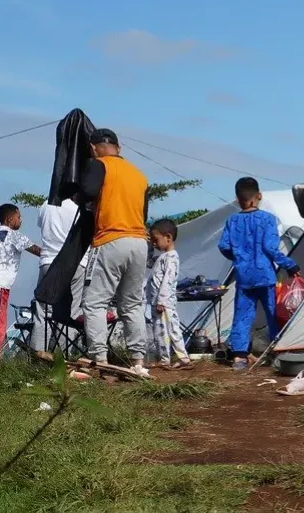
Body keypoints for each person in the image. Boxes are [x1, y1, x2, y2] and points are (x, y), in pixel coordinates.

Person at [80, 128, 150, 376]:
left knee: (94, 303)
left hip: (110, 239)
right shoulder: (139, 176)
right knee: (132, 304)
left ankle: (100, 359)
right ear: (119, 148)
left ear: (93, 148)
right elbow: (144, 213)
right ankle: (139, 362)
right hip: (140, 241)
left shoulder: (98, 165)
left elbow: (87, 192)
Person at [219, 176, 300, 371]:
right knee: (273, 312)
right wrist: (290, 265)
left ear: (238, 199)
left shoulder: (233, 220)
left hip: (244, 277)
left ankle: (239, 357)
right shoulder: (267, 219)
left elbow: (223, 245)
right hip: (265, 274)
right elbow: (270, 248)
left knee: (243, 315)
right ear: (259, 196)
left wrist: (238, 257)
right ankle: (277, 351)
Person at [30, 187, 88, 358]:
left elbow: (41, 225)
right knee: (71, 312)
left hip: (49, 261)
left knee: (43, 309)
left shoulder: (46, 205)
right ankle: (63, 356)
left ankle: (38, 351)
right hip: (77, 263)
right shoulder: (79, 208)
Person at [0, 204, 40, 361]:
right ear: (9, 219)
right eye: (19, 217)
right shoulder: (15, 235)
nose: (21, 220)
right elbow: (38, 251)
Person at [148, 219, 191, 369]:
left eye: (156, 239)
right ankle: (164, 358)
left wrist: (162, 300)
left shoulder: (172, 257)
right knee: (160, 331)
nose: (154, 243)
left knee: (171, 330)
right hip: (156, 302)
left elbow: (168, 280)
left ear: (168, 237)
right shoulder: (163, 257)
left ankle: (182, 357)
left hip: (164, 303)